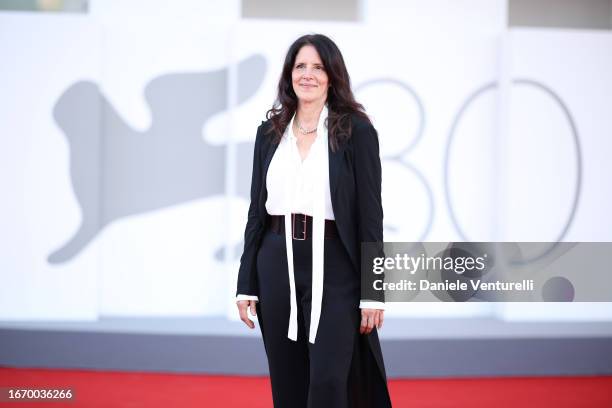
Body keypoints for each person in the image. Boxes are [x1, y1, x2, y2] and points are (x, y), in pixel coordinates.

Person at [235, 33, 392, 408]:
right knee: (287, 381)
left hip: (336, 265)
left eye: (318, 67)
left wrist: (374, 291)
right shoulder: (269, 133)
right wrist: (246, 283)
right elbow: (257, 212)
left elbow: (372, 216)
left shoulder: (357, 132)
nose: (308, 74)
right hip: (275, 262)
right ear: (289, 73)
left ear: (332, 76)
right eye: (300, 66)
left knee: (327, 381)